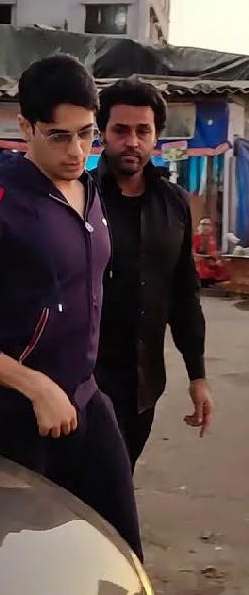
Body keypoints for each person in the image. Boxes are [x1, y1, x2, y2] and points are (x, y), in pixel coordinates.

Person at [0, 54, 142, 559]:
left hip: (84, 399)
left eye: (87, 134)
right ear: (25, 127)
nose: (77, 150)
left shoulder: (89, 191)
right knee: (17, 568)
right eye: (58, 136)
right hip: (11, 418)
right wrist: (34, 386)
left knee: (117, 550)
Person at [93, 78, 212, 472]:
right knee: (91, 493)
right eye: (120, 130)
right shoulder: (80, 197)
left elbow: (184, 291)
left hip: (144, 387)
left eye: (142, 131)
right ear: (102, 133)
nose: (132, 141)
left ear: (156, 136)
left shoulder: (174, 203)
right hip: (84, 384)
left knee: (121, 478)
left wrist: (198, 376)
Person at [195, 217, 231, 286]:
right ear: (199, 226)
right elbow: (192, 254)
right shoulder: (196, 238)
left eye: (208, 224)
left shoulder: (211, 238)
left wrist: (219, 256)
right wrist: (208, 257)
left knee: (227, 264)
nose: (206, 227)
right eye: (203, 224)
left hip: (212, 262)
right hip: (201, 262)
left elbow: (213, 252)